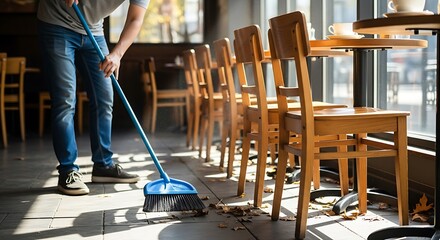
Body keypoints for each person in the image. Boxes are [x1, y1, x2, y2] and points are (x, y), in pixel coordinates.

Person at [37, 0, 149, 196]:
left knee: (104, 98)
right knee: (65, 100)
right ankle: (68, 170)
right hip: (57, 24)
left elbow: (135, 18)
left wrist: (117, 54)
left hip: (94, 32)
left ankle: (103, 165)